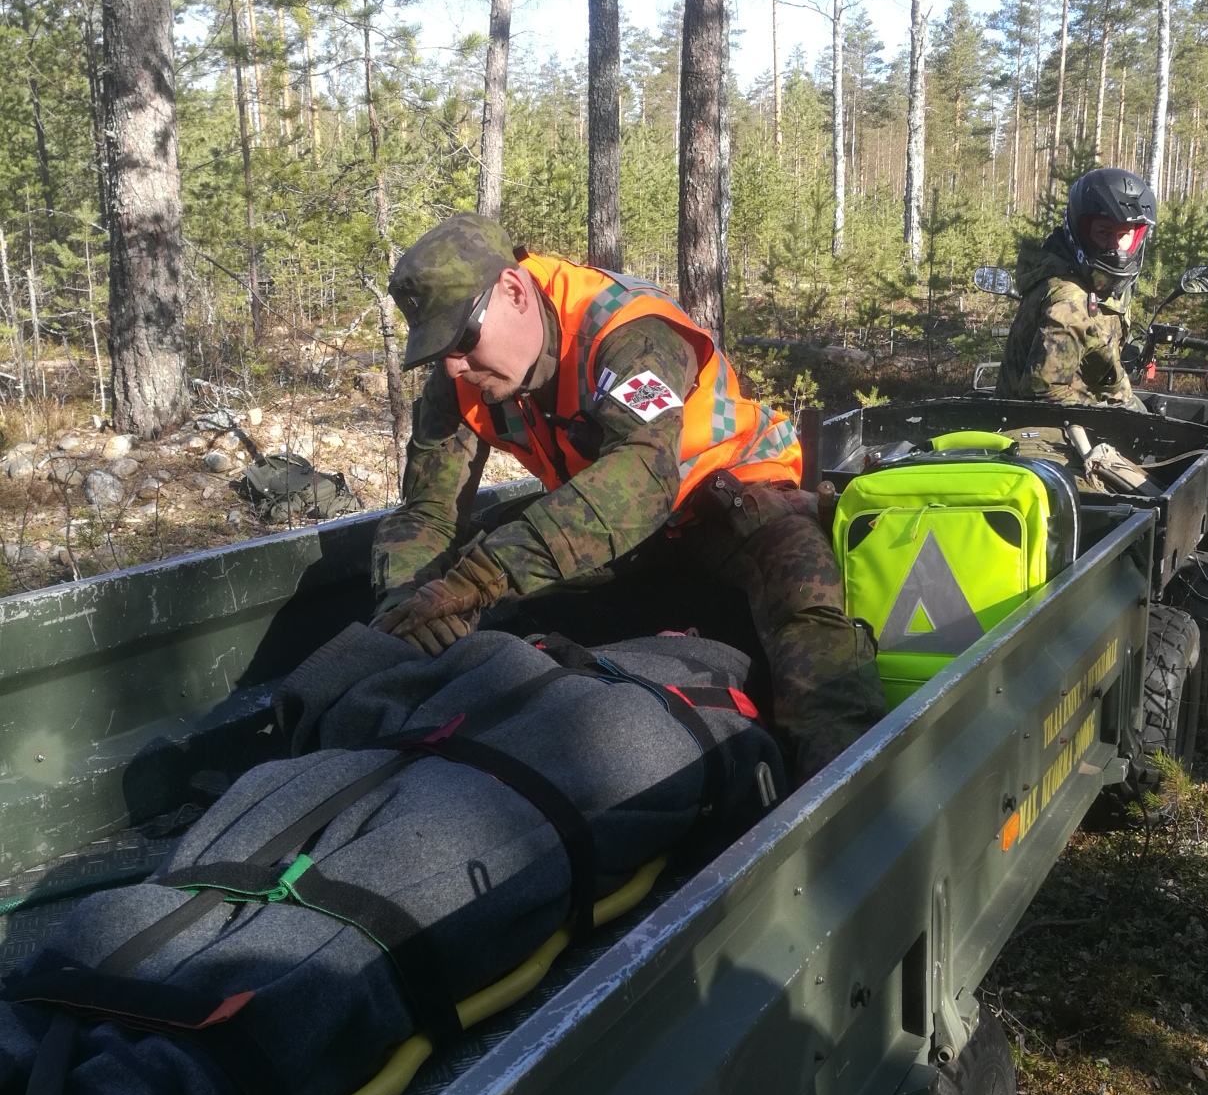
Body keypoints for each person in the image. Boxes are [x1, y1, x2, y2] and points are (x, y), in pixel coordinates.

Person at [371, 213, 884, 782]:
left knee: (808, 611)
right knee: (481, 563)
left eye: (462, 338)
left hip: (731, 501)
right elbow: (428, 512)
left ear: (514, 291)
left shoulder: (628, 333)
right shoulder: (462, 375)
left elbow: (643, 474)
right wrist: (407, 607)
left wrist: (480, 578)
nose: (453, 365)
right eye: (437, 348)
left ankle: (841, 791)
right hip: (616, 527)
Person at [996, 167, 1158, 409]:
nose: (1115, 246)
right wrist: (1113, 414)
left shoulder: (1096, 285)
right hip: (1054, 428)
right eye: (1104, 232)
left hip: (1082, 412)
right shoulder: (1070, 299)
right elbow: (1043, 393)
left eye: (1124, 235)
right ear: (1081, 232)